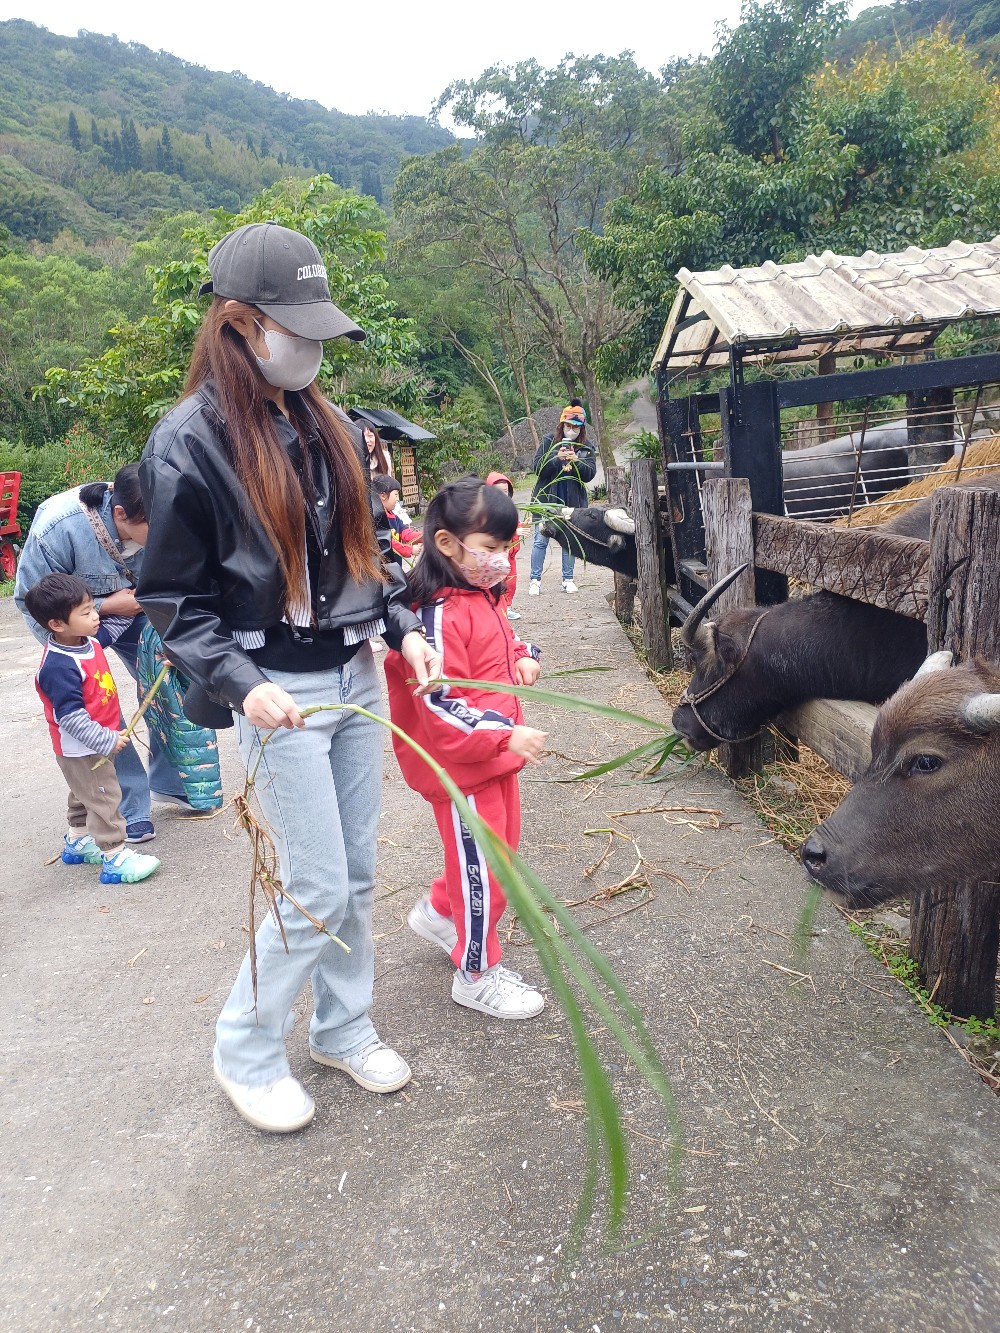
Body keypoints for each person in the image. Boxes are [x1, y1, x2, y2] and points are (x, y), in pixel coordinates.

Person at [136, 220, 441, 1134]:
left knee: (355, 873)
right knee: (312, 883)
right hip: (277, 688)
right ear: (239, 323)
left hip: (354, 674)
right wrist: (239, 680)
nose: (310, 348)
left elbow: (369, 555)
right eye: (294, 328)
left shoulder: (330, 424)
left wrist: (403, 628)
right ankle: (245, 1047)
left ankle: (343, 1027)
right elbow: (171, 598)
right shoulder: (189, 441)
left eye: (317, 330)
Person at [384, 477, 549, 1021]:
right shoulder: (434, 617)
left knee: (497, 859)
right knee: (485, 874)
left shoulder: (480, 595)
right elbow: (439, 703)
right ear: (447, 544)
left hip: (494, 759)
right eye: (490, 547)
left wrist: (523, 653)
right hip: (464, 767)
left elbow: (501, 640)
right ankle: (475, 973)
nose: (501, 559)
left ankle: (439, 911)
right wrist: (504, 733)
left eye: (506, 547)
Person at [14, 465, 191, 843]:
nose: (165, 534)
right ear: (121, 514)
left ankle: (169, 781)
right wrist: (105, 606)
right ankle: (126, 806)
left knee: (166, 677)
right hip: (73, 620)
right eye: (155, 526)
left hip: (132, 610)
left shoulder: (159, 512)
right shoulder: (58, 528)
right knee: (97, 707)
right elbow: (31, 600)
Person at [24, 572, 161, 885]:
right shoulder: (59, 666)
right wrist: (105, 740)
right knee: (104, 797)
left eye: (92, 608)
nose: (96, 616)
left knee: (82, 791)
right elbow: (70, 718)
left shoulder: (88, 641)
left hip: (94, 741)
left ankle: (77, 840)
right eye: (86, 613)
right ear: (57, 624)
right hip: (84, 746)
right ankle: (115, 857)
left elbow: (121, 623)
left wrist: (141, 606)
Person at [528, 400, 596, 595]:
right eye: (568, 426)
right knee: (541, 541)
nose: (571, 430)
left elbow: (590, 473)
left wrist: (577, 462)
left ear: (581, 429)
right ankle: (535, 580)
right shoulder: (549, 441)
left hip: (572, 503)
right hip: (546, 500)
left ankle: (568, 579)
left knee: (569, 542)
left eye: (576, 427)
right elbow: (537, 468)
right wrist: (556, 458)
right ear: (562, 425)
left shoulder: (586, 447)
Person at [486, 470, 524, 620]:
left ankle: (507, 608)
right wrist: (515, 531)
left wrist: (522, 527)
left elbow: (515, 524)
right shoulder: (488, 513)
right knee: (497, 582)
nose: (503, 495)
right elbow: (496, 533)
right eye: (498, 492)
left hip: (511, 556)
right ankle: (497, 608)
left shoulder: (509, 510)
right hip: (498, 556)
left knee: (511, 582)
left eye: (506, 491)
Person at [371, 474, 423, 562]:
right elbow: (388, 542)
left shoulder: (395, 518)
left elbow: (407, 534)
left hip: (397, 566)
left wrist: (425, 536)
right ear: (383, 496)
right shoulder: (376, 520)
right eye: (396, 495)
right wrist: (410, 549)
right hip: (384, 567)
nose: (398, 499)